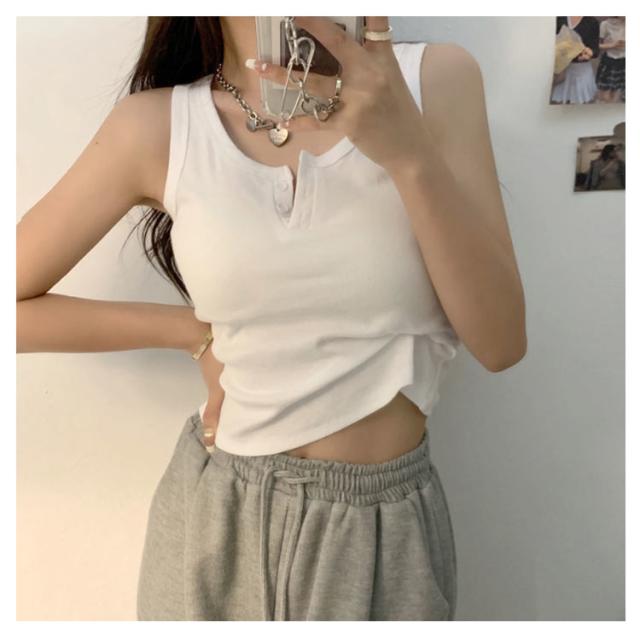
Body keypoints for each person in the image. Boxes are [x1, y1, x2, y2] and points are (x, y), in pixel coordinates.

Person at [16, 16, 526, 620]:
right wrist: (190, 334)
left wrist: (407, 151)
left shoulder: (435, 80)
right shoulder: (158, 125)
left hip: (379, 532)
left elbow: (501, 344)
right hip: (218, 517)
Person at [551, 16, 600, 104]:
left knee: (579, 103)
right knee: (558, 104)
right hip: (560, 69)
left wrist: (590, 53)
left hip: (580, 70)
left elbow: (595, 49)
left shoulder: (592, 22)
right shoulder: (558, 18)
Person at [595, 16, 625, 103]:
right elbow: (596, 45)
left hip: (623, 60)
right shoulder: (605, 24)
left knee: (617, 94)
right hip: (609, 61)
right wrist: (612, 45)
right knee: (605, 95)